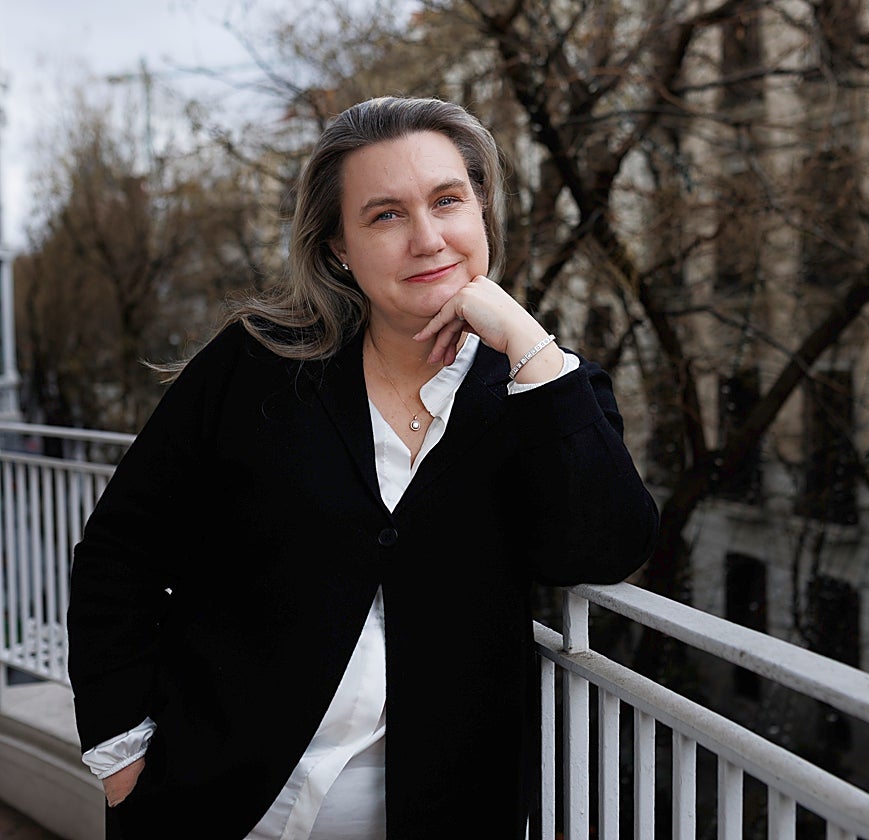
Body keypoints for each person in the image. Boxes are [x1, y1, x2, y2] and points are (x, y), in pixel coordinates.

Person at [67, 95, 659, 839]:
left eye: (448, 201)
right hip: (214, 807)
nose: (427, 239)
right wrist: (121, 754)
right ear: (338, 246)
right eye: (385, 215)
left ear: (482, 212)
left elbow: (606, 548)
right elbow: (119, 552)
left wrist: (527, 341)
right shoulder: (255, 366)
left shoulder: (543, 392)